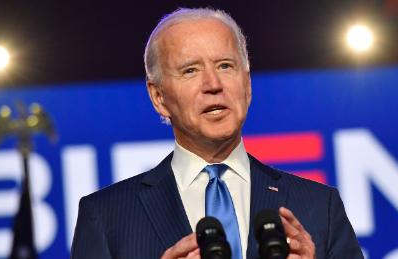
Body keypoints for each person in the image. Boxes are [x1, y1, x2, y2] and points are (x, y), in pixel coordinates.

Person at [71, 7, 363, 259]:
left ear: (246, 85)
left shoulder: (317, 206)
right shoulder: (106, 217)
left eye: (225, 65)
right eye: (190, 70)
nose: (213, 84)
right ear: (159, 97)